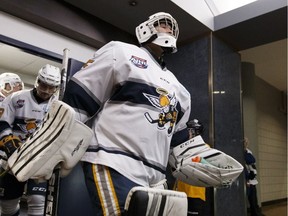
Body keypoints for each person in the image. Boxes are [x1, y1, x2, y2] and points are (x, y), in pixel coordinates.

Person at [63, 12, 191, 215]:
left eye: (171, 27)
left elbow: (178, 139)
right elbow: (79, 97)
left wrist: (197, 158)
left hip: (156, 177)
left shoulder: (180, 90)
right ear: (146, 29)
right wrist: (58, 143)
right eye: (163, 25)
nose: (168, 30)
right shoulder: (121, 52)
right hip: (114, 161)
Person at [0, 64, 61, 216]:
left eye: (51, 87)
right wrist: (8, 141)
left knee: (37, 201)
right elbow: (3, 121)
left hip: (39, 161)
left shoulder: (58, 106)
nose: (47, 91)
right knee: (7, 205)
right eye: (44, 85)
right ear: (38, 81)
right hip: (12, 159)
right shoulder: (16, 98)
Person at [174, 119, 206, 216]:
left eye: (190, 131)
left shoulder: (204, 148)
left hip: (195, 193)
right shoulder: (181, 148)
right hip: (180, 193)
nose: (188, 133)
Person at [244, 137, 265, 216]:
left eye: (246, 142)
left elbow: (252, 163)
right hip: (245, 178)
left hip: (251, 178)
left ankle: (255, 212)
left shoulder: (248, 152)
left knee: (253, 197)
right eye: (244, 142)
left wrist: (253, 174)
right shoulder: (240, 152)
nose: (246, 143)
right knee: (249, 198)